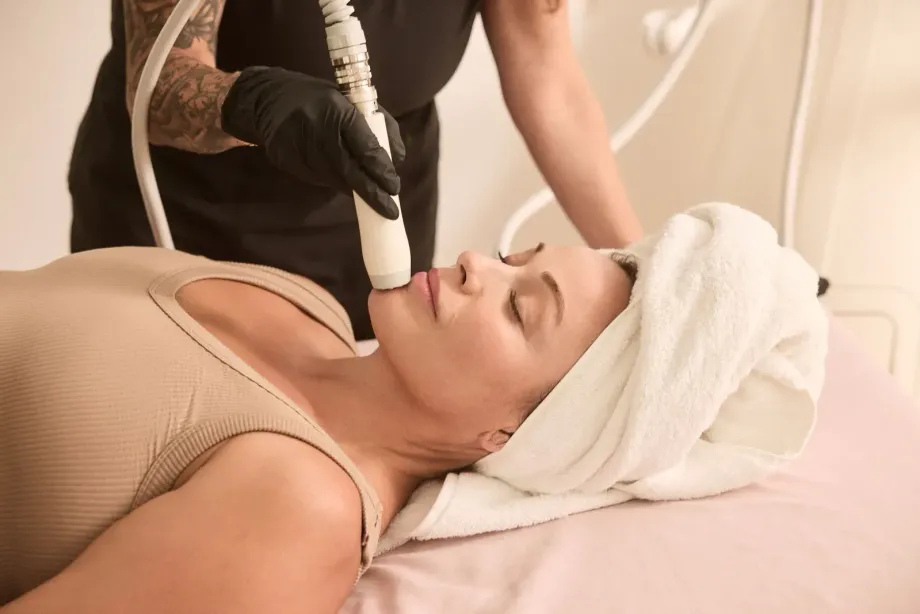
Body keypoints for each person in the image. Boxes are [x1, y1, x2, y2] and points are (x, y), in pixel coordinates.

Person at [0, 240, 636, 613]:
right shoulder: (309, 306)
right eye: (510, 256)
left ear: (510, 435)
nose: (475, 263)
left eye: (519, 307)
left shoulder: (300, 514)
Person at [67, 0, 644, 342]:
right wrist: (254, 104)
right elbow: (160, 84)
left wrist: (645, 270)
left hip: (373, 246)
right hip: (183, 229)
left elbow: (549, 80)